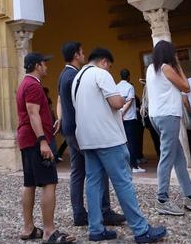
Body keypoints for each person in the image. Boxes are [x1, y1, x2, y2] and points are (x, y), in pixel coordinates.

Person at [72, 47, 167, 243]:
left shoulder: (77, 78)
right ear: (105, 61)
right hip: (108, 137)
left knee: (93, 182)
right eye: (109, 65)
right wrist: (123, 98)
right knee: (123, 182)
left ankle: (96, 228)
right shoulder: (101, 74)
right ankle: (141, 230)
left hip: (87, 138)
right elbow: (116, 103)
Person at [57, 41, 123, 228]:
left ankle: (79, 212)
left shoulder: (63, 75)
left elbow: (61, 101)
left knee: (77, 172)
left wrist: (61, 120)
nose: (84, 54)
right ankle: (104, 210)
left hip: (69, 129)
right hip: (80, 129)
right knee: (99, 171)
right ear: (76, 55)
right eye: (81, 52)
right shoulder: (76, 76)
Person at [16, 52, 74, 243]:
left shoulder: (24, 84)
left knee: (29, 183)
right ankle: (49, 230)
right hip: (34, 140)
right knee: (49, 182)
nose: (47, 67)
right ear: (37, 66)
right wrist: (42, 140)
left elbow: (34, 114)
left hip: (26, 138)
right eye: (44, 64)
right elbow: (33, 113)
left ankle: (28, 228)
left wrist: (50, 124)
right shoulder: (33, 85)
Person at [145, 40, 191, 217]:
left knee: (178, 157)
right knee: (168, 156)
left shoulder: (150, 69)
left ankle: (189, 195)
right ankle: (162, 199)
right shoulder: (166, 68)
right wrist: (177, 65)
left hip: (156, 115)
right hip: (168, 115)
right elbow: (186, 87)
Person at [115, 68, 145, 173]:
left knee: (124, 142)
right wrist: (124, 111)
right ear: (128, 77)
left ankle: (127, 165)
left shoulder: (116, 87)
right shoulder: (130, 87)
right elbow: (130, 101)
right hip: (130, 118)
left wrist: (120, 113)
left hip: (120, 118)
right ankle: (134, 166)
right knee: (132, 142)